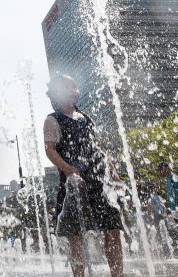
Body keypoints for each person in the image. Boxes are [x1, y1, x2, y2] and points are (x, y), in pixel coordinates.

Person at [43, 74, 124, 277]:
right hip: (74, 184)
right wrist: (68, 168)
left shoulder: (86, 117)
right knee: (75, 234)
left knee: (112, 228)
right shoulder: (52, 120)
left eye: (75, 86)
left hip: (99, 180)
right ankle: (78, 274)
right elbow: (50, 149)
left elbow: (100, 148)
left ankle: (118, 274)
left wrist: (112, 171)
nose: (74, 90)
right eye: (69, 87)